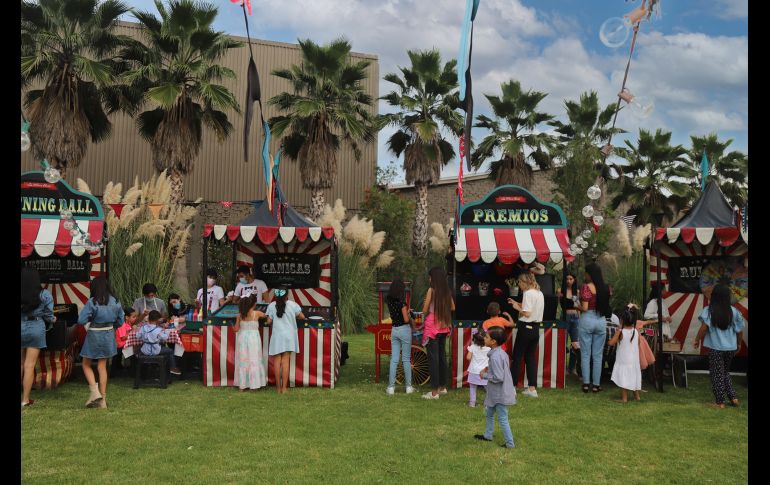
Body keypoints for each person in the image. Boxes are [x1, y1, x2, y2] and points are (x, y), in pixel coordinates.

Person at [693, 283, 745, 409]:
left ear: (714, 296)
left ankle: (720, 402)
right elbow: (740, 331)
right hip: (730, 348)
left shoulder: (709, 311)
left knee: (717, 374)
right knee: (725, 372)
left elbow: (704, 328)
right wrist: (738, 344)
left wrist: (697, 340)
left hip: (716, 348)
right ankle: (733, 398)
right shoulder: (734, 312)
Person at [78, 276, 125, 408]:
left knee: (86, 364)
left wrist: (91, 318)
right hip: (108, 334)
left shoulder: (92, 302)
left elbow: (81, 320)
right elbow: (121, 321)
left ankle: (94, 392)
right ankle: (102, 400)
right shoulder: (116, 301)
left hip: (94, 334)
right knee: (102, 367)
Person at [474, 326, 516, 449]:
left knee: (502, 418)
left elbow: (499, 377)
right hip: (495, 393)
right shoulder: (500, 353)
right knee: (489, 413)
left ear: (493, 342)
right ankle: (488, 435)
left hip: (500, 394)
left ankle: (510, 443)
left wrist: (484, 375)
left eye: (486, 337)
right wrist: (489, 368)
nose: (484, 338)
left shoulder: (496, 356)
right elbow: (501, 369)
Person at [21, 267, 55, 408]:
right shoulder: (44, 294)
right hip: (35, 327)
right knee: (29, 365)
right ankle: (25, 400)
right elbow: (48, 315)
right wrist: (52, 319)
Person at [507, 272, 544, 398]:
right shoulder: (539, 293)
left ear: (524, 282)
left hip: (525, 328)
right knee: (530, 358)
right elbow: (530, 308)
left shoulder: (528, 293)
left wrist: (516, 307)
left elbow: (527, 313)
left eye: (519, 283)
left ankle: (512, 387)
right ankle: (532, 389)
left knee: (517, 357)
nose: (519, 285)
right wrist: (517, 303)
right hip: (536, 328)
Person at [421, 267, 455, 400]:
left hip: (432, 327)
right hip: (444, 326)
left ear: (434, 278)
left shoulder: (431, 290)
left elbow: (424, 310)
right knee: (442, 357)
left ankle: (434, 392)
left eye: (430, 277)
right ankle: (442, 387)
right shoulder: (446, 291)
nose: (429, 279)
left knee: (433, 359)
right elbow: (453, 307)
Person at [578, 262, 612, 394]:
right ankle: (596, 385)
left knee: (586, 354)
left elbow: (585, 308)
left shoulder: (586, 287)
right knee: (598, 355)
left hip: (587, 319)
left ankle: (586, 383)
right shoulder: (606, 288)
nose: (585, 275)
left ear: (590, 274)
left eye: (586, 273)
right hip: (601, 321)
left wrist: (576, 305)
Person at [266, 287, 305, 394]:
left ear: (275, 295)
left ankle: (278, 388)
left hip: (277, 336)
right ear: (287, 295)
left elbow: (269, 321)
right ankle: (284, 388)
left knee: (277, 361)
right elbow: (302, 316)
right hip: (289, 336)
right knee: (285, 361)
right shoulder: (293, 305)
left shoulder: (271, 305)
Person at [385, 279, 415, 395]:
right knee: (406, 359)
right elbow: (406, 320)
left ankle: (391, 388)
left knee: (394, 359)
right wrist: (409, 314)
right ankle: (408, 387)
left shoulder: (389, 301)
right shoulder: (402, 303)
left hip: (394, 330)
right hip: (404, 330)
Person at [607, 305, 642, 403]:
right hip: (634, 360)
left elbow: (611, 343)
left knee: (624, 377)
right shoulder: (636, 331)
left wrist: (609, 339)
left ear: (621, 320)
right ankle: (637, 396)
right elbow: (638, 343)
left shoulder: (620, 332)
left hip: (624, 360)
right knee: (634, 376)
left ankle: (624, 398)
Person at [233, 295, 268, 391]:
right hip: (254, 339)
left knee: (243, 360)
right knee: (254, 359)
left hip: (242, 339)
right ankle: (254, 384)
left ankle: (242, 385)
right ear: (253, 304)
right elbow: (266, 315)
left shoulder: (239, 315)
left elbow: (236, 329)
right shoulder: (257, 313)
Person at [136, 310, 181, 376]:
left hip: (145, 350)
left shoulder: (143, 327)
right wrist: (166, 330)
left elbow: (138, 336)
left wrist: (146, 338)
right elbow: (165, 338)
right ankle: (172, 368)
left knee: (138, 349)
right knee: (170, 351)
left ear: (149, 318)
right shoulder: (158, 329)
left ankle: (155, 368)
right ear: (157, 320)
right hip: (155, 350)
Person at [556, 271, 581, 377]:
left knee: (575, 344)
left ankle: (572, 368)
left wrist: (579, 318)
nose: (569, 281)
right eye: (567, 279)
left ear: (574, 280)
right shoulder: (560, 291)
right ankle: (563, 368)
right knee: (563, 343)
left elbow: (579, 306)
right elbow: (557, 304)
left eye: (571, 279)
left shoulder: (577, 292)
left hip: (575, 318)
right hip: (565, 317)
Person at [111, 307, 139, 377]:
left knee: (134, 348)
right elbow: (123, 338)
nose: (135, 318)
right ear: (127, 317)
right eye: (133, 317)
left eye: (135, 316)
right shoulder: (122, 325)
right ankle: (132, 371)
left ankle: (130, 368)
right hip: (121, 346)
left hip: (125, 345)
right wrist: (132, 330)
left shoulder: (128, 324)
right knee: (133, 351)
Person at [466, 330, 490, 408]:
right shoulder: (489, 348)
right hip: (485, 372)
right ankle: (488, 404)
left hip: (473, 371)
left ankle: (472, 403)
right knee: (488, 388)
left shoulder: (472, 347)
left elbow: (468, 357)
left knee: (473, 388)